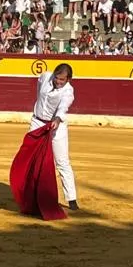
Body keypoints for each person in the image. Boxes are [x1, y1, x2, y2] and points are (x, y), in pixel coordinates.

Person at [30, 63, 79, 211]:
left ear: (68, 79)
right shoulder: (45, 77)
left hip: (57, 126)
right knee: (33, 158)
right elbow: (39, 91)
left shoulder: (68, 91)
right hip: (37, 122)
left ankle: (71, 199)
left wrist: (57, 119)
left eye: (62, 80)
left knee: (62, 161)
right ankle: (32, 194)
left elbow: (63, 106)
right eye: (57, 78)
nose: (58, 81)